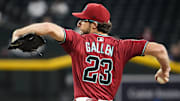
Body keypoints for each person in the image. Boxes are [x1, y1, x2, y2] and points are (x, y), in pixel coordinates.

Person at [11, 3, 171, 101]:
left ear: (94, 25)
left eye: (83, 20)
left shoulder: (78, 41)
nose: (79, 23)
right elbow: (160, 50)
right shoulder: (122, 46)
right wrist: (165, 70)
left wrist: (19, 32)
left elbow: (48, 28)